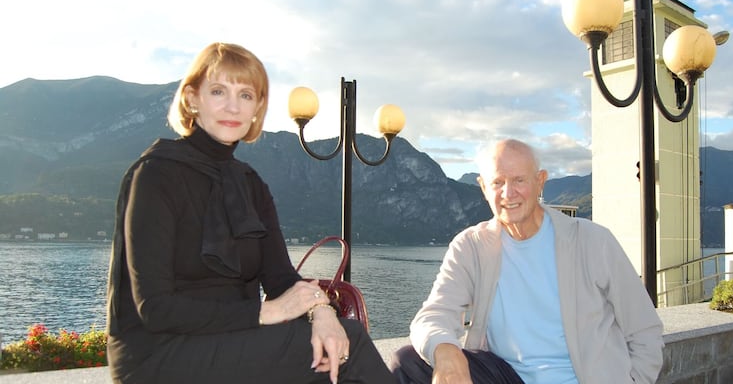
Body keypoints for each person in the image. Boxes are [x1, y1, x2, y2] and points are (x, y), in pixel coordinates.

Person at [106, 42, 395, 384]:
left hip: (230, 339)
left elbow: (280, 278)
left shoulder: (250, 184)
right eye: (218, 91)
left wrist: (322, 312)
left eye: (245, 95)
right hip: (157, 352)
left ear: (257, 107)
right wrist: (265, 311)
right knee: (353, 346)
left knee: (338, 342)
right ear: (192, 99)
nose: (233, 106)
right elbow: (155, 308)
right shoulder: (156, 174)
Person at [391, 139, 664, 384]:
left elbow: (644, 329)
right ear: (483, 187)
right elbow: (433, 315)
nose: (508, 193)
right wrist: (447, 352)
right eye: (497, 182)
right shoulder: (471, 246)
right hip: (508, 377)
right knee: (408, 361)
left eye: (519, 180)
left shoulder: (592, 241)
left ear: (540, 181)